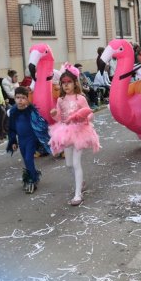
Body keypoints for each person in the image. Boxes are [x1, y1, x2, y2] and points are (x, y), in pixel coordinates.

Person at [49, 64, 100, 206]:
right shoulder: (60, 100)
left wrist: (84, 119)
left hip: (79, 132)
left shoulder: (80, 98)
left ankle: (78, 194)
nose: (66, 86)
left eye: (69, 82)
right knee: (68, 164)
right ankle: (81, 182)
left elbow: (90, 115)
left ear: (75, 83)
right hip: (65, 132)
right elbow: (60, 117)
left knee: (76, 163)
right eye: (63, 83)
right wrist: (54, 114)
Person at [7, 86, 51, 194]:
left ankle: (32, 180)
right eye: (17, 97)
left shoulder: (31, 111)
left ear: (27, 99)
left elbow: (40, 124)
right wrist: (13, 141)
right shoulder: (13, 112)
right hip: (21, 140)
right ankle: (32, 174)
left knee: (28, 158)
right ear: (14, 98)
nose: (20, 100)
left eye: (23, 98)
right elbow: (11, 128)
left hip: (31, 138)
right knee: (25, 159)